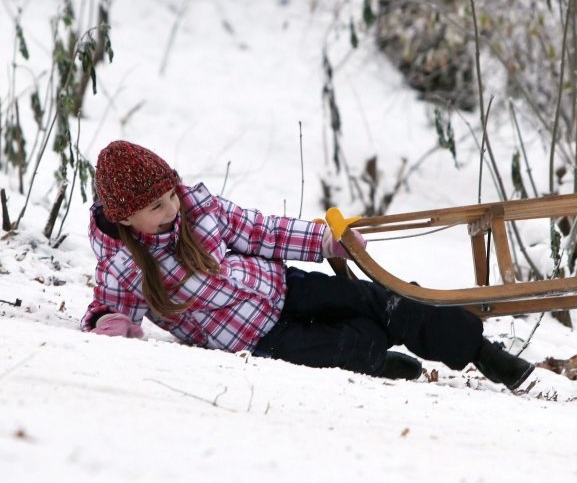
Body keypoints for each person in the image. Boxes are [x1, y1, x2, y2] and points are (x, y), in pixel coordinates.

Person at [82, 140, 534, 390]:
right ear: (124, 217)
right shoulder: (123, 264)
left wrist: (325, 241)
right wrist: (111, 321)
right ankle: (373, 358)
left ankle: (482, 353)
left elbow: (260, 231)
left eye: (170, 196)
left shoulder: (198, 207)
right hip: (258, 340)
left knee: (388, 302)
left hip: (286, 287)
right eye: (157, 207)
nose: (171, 209)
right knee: (349, 345)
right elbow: (108, 306)